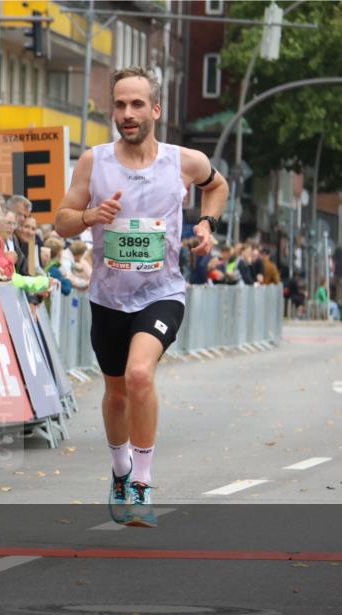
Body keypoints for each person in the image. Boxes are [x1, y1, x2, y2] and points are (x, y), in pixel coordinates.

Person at [55, 66, 227, 528]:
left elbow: (218, 185)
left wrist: (207, 223)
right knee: (114, 393)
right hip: (108, 296)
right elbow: (62, 221)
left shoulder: (182, 161)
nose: (127, 114)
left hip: (162, 292)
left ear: (155, 109)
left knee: (137, 376)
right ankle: (119, 471)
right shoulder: (94, 161)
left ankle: (142, 485)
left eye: (136, 105)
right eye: (119, 105)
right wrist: (92, 215)